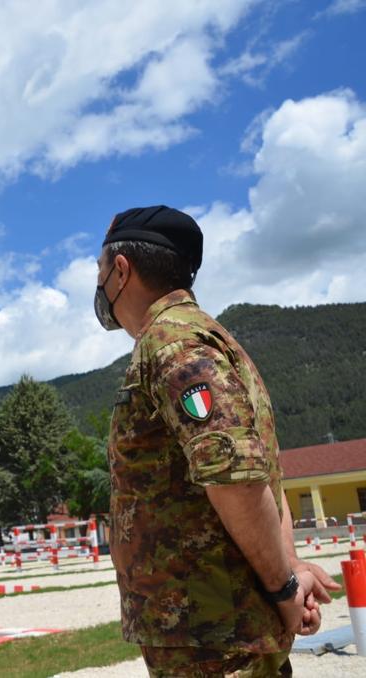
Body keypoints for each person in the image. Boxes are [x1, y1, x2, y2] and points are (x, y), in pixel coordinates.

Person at [95, 206, 340, 676]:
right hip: (217, 626)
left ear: (121, 270)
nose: (100, 285)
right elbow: (266, 474)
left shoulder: (173, 346)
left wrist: (285, 589)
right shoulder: (213, 342)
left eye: (101, 271)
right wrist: (287, 569)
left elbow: (238, 480)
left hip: (209, 632)